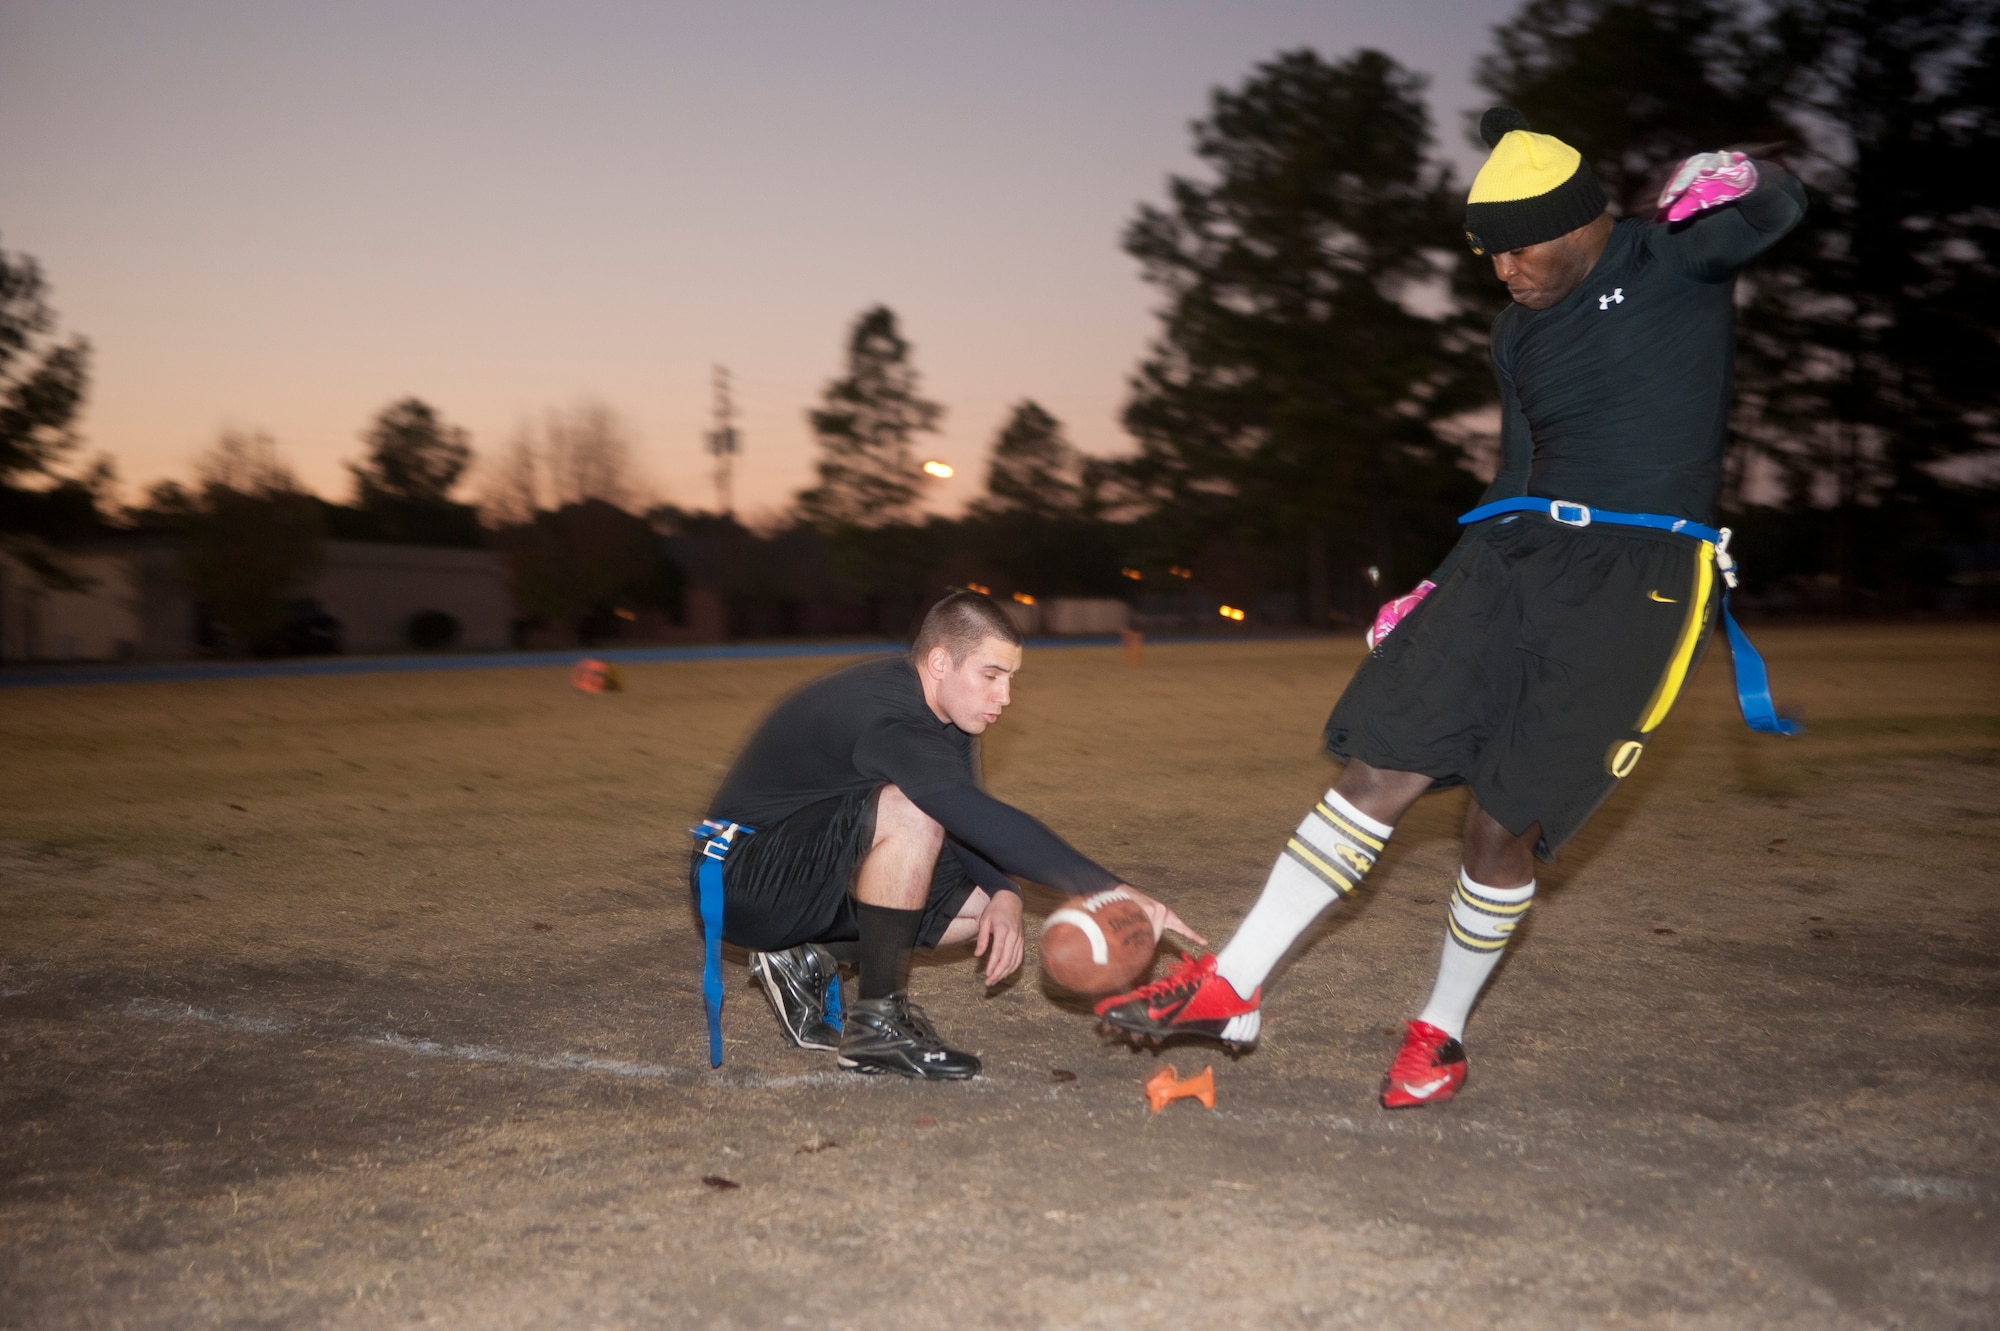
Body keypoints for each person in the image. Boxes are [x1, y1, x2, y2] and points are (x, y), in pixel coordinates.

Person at [1097, 107, 1807, 1108]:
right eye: (1487, 250)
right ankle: (1233, 982)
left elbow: (1781, 207)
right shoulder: (1514, 328)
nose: (1504, 268)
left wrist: (1737, 171)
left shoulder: (1671, 258)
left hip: (1637, 580)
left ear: (1579, 221)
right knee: (1379, 758)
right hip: (1512, 554)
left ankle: (1438, 1030)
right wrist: (1442, 577)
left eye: (1520, 243)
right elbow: (1516, 468)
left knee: (1495, 827)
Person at [692, 589, 1197, 1080]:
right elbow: (967, 813)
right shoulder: (890, 716)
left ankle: (809, 959)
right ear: (939, 663)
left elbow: (964, 818)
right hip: (737, 878)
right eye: (991, 675)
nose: (1005, 696)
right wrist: (1109, 887)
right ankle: (877, 1026)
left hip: (799, 867)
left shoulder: (950, 716)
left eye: (1011, 678)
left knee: (983, 910)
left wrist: (1003, 891)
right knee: (911, 811)